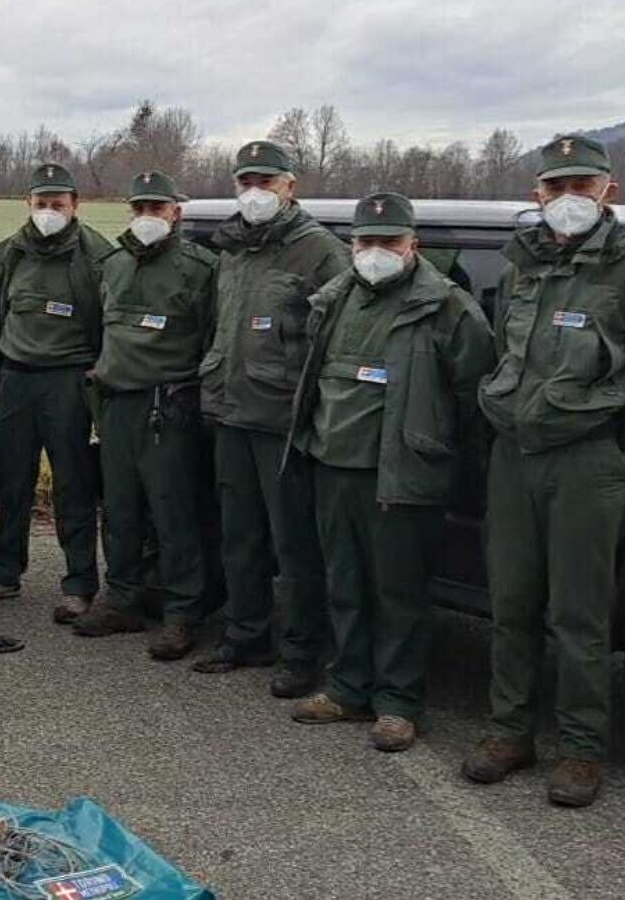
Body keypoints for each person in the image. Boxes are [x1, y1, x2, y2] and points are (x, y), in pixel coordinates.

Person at [461, 134, 625, 806]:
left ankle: (581, 749)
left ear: (608, 192)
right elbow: (504, 351)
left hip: (587, 461)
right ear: (537, 195)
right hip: (515, 455)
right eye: (555, 187)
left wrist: (619, 435)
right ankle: (510, 732)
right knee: (510, 602)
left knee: (578, 613)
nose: (568, 200)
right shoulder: (522, 267)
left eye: (582, 187)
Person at [284, 193, 494, 752]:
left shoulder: (447, 308)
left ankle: (399, 703)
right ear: (352, 246)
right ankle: (349, 686)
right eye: (366, 242)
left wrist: (449, 460)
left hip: (401, 473)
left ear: (412, 246)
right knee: (345, 583)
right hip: (334, 465)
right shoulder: (334, 299)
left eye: (389, 242)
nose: (376, 252)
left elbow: (475, 397)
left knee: (398, 592)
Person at [192, 140, 350, 699]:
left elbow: (335, 341)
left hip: (281, 420)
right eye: (246, 181)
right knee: (240, 536)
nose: (255, 191)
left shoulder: (319, 251)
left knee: (294, 544)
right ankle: (246, 634)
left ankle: (303, 650)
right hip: (231, 411)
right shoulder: (232, 248)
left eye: (267, 181)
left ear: (290, 186)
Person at [73, 171, 219, 661]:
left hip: (168, 405)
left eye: (157, 209)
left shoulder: (200, 269)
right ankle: (122, 597)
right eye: (140, 209)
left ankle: (181, 612)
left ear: (175, 213)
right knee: (119, 509)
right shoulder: (111, 265)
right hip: (116, 403)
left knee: (173, 512)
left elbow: (212, 340)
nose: (148, 218)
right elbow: (98, 330)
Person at [0, 163, 111, 623]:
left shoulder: (96, 257)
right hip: (17, 377)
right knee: (13, 480)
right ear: (27, 204)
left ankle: (78, 583)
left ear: (75, 205)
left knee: (73, 483)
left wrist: (95, 370)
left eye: (58, 204)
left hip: (67, 381)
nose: (49, 211)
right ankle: (5, 572)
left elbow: (113, 318)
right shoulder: (9, 253)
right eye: (41, 203)